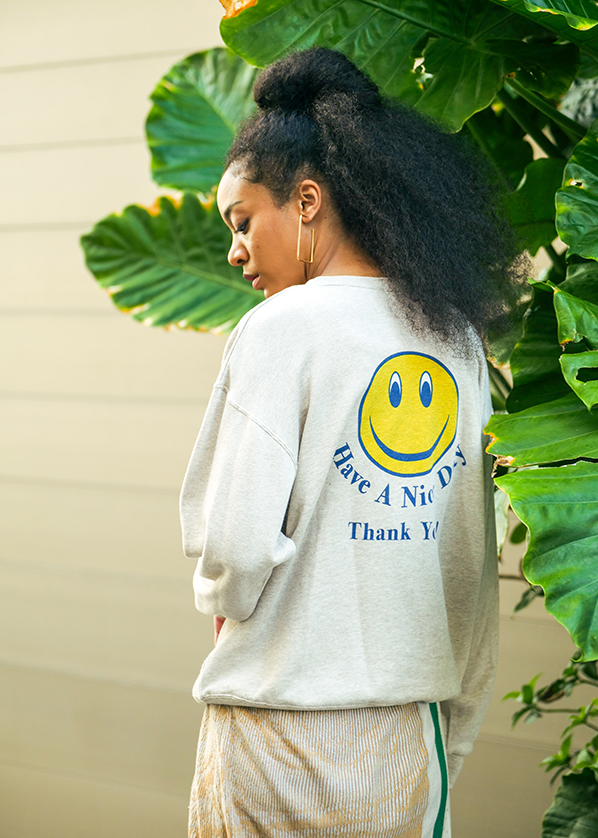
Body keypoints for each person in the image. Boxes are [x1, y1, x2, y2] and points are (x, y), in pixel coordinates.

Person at [180, 46, 524, 838]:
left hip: (273, 737)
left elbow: (235, 547)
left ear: (306, 200)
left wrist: (224, 603)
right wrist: (451, 733)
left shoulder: (281, 328)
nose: (235, 251)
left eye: (242, 221)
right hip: (406, 739)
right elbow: (470, 560)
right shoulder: (456, 339)